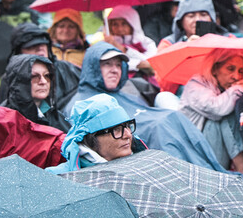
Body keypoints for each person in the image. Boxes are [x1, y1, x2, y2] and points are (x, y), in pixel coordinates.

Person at [70, 42, 229, 173]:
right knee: (161, 125)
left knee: (174, 117)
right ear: (92, 68)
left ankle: (210, 171)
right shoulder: (81, 102)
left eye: (118, 65)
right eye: (107, 64)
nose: (114, 70)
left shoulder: (126, 90)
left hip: (163, 124)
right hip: (142, 138)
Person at [180, 49, 243, 172]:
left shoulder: (225, 88)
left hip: (219, 155)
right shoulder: (196, 84)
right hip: (194, 156)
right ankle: (242, 167)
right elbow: (216, 109)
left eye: (240, 71)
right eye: (230, 69)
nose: (237, 77)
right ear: (214, 69)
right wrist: (238, 89)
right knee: (223, 116)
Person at [48, 94, 146, 174]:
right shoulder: (57, 177)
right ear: (91, 139)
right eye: (117, 129)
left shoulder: (145, 166)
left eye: (127, 126)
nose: (128, 135)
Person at [1, 23, 81, 108]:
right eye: (31, 46)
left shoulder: (69, 69)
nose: (40, 49)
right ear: (19, 53)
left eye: (43, 44)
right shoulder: (11, 78)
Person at [0, 53, 71, 133]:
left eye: (47, 76)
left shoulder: (56, 118)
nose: (43, 82)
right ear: (19, 81)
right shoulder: (0, 120)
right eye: (34, 77)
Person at [89, 5, 159, 71]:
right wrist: (136, 64)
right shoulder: (104, 45)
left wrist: (125, 50)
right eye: (115, 24)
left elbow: (150, 63)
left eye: (124, 24)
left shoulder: (146, 43)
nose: (120, 29)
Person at [159, 0, 227, 49]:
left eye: (203, 15)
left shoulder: (228, 41)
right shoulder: (168, 44)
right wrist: (186, 49)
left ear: (212, 18)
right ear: (181, 20)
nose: (198, 19)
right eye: (191, 16)